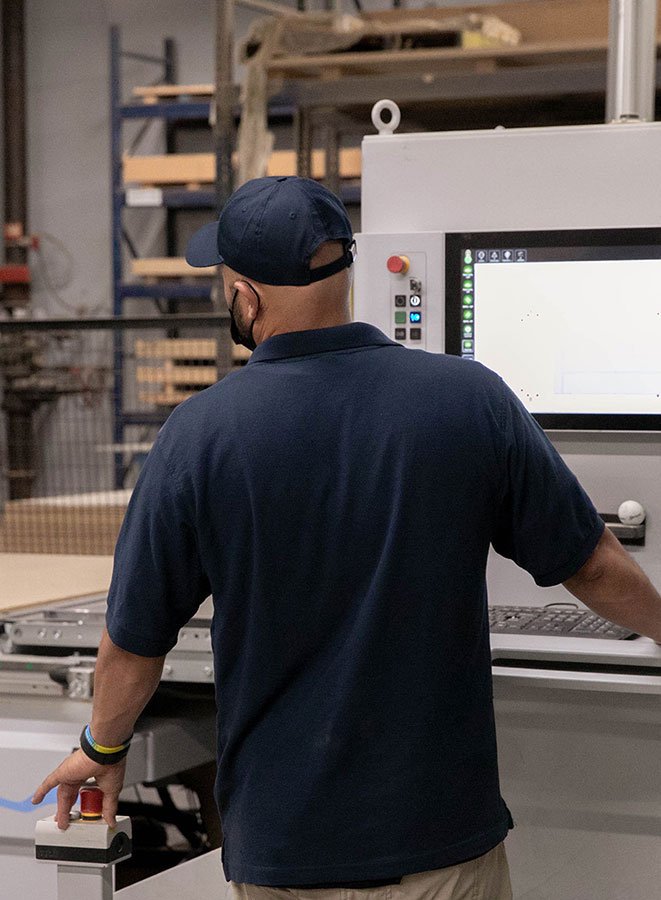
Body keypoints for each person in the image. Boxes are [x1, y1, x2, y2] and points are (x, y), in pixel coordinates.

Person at [33, 176, 661, 900]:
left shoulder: (198, 436)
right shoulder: (470, 399)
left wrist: (101, 748)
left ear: (245, 296)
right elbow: (592, 565)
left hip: (286, 847)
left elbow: (134, 642)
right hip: (439, 846)